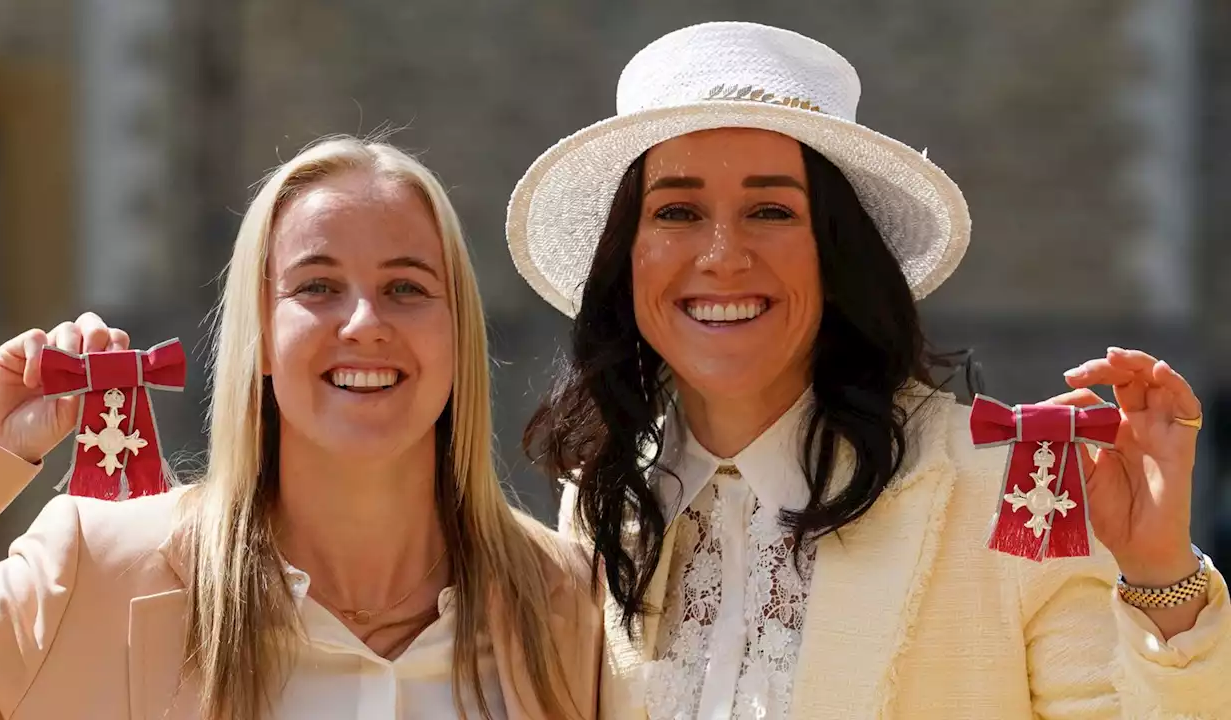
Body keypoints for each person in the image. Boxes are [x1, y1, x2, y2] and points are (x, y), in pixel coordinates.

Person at [509, 22, 1229, 719]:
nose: (723, 254)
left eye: (769, 209)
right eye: (677, 212)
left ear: (838, 253)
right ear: (625, 259)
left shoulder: (1023, 479)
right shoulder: (604, 501)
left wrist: (1161, 575)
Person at [0, 136, 601, 719]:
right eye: (318, 287)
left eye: (406, 288)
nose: (364, 322)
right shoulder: (94, 574)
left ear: (458, 334)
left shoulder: (572, 607)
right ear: (258, 337)